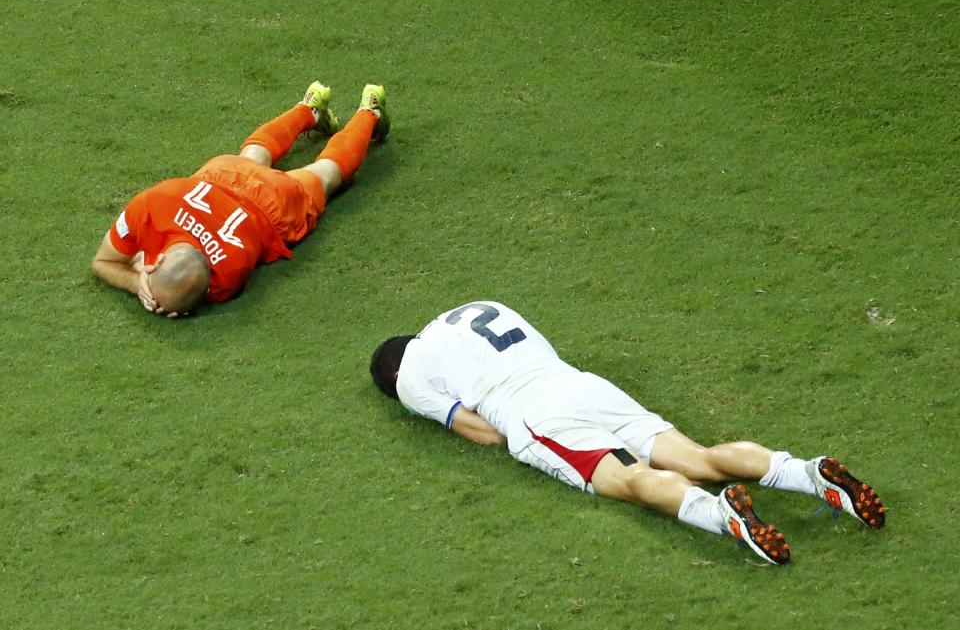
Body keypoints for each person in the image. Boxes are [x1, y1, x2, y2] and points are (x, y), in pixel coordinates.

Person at [370, 300, 886, 565]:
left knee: (630, 479)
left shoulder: (410, 376)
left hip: (534, 415)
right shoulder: (476, 308)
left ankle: (720, 515)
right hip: (584, 385)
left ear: (393, 378)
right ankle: (804, 473)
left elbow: (486, 435)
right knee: (695, 456)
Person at [92, 80, 390, 317]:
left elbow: (104, 262)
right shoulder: (152, 203)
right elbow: (124, 260)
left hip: (270, 206)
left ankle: (364, 113)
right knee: (253, 155)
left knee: (326, 173)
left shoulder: (227, 278)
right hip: (221, 176)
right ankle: (325, 108)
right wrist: (139, 276)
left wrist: (136, 284)